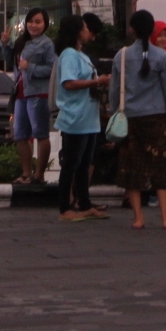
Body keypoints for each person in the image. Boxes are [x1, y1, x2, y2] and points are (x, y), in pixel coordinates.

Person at [110, 10, 166, 230]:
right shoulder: (161, 57)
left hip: (130, 118)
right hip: (157, 119)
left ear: (131, 30)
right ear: (153, 30)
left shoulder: (120, 56)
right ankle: (165, 218)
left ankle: (138, 218)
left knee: (132, 167)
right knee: (161, 167)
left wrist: (115, 114)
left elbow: (114, 91)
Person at [54, 14, 109, 222]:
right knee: (71, 162)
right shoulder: (69, 55)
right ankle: (64, 207)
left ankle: (84, 203)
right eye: (85, 28)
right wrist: (97, 82)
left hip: (88, 115)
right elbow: (68, 83)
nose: (88, 32)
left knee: (84, 163)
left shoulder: (81, 54)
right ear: (78, 31)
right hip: (75, 116)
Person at [11, 9, 54, 185]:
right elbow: (14, 64)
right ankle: (26, 173)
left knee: (41, 134)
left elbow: (52, 69)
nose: (33, 25)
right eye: (30, 21)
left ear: (45, 24)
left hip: (38, 92)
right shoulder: (22, 42)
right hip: (21, 92)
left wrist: (31, 67)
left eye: (38, 22)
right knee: (19, 135)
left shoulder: (47, 44)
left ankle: (39, 174)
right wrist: (5, 44)